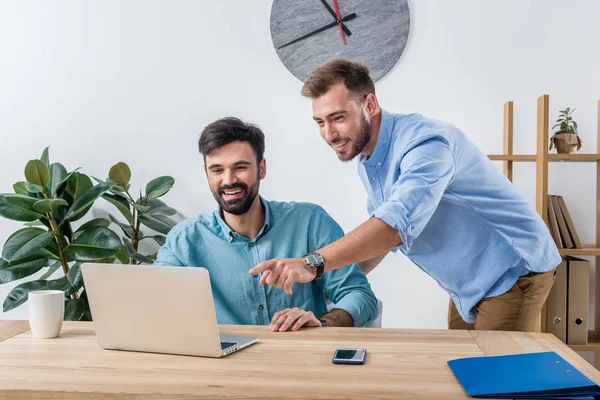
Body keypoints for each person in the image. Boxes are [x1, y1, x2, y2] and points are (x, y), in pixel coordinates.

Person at [249, 58, 561, 332]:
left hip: (512, 271)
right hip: (468, 284)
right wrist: (329, 290)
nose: (329, 134)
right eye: (320, 122)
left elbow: (393, 225)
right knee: (465, 374)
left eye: (339, 117)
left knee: (494, 384)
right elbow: (382, 241)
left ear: (370, 105)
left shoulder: (425, 145)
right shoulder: (368, 158)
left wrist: (312, 262)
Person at [154, 116, 377, 331]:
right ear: (206, 173)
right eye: (217, 170)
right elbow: (154, 301)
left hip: (302, 362)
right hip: (222, 366)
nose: (229, 180)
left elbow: (358, 295)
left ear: (262, 168)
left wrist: (322, 324)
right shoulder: (185, 240)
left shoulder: (310, 222)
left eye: (240, 167)